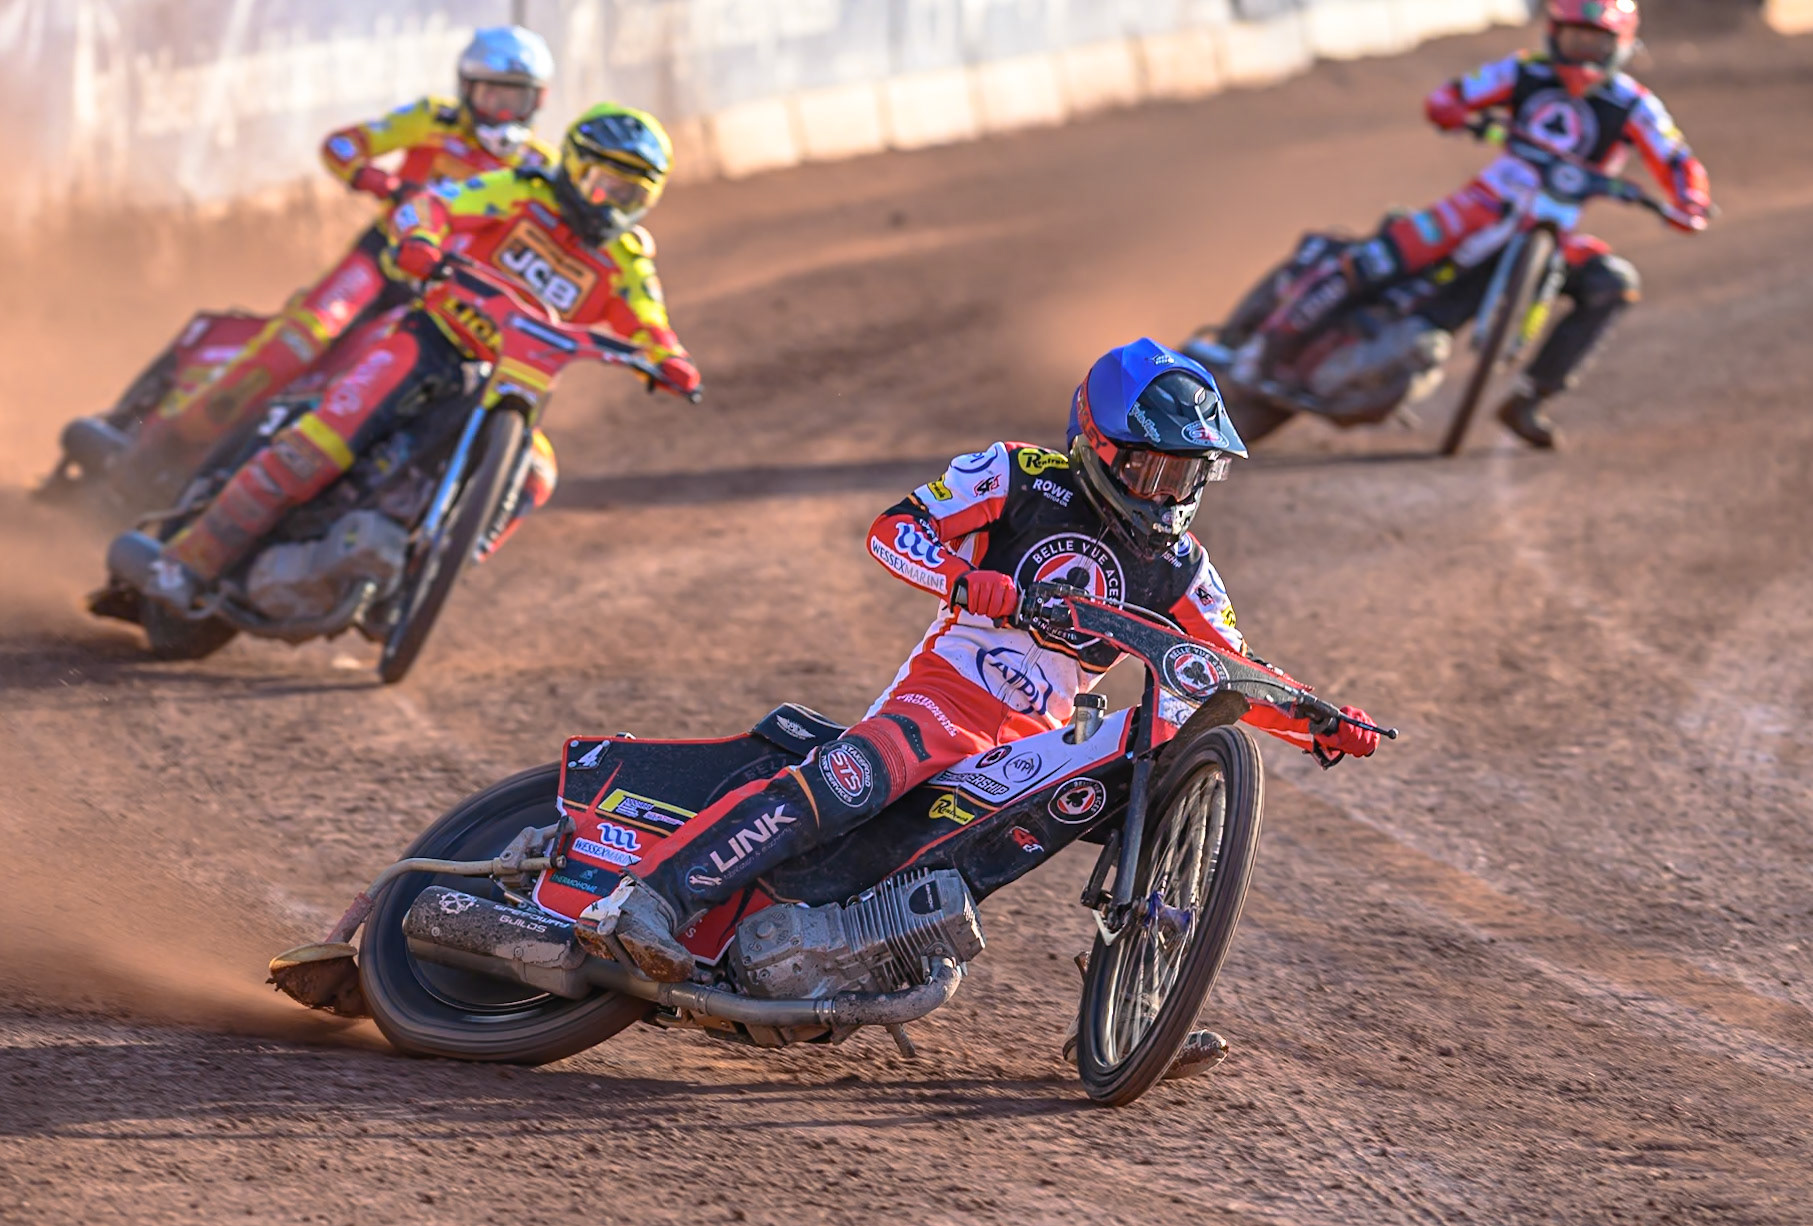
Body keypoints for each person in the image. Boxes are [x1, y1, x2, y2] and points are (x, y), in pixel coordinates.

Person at [586, 338, 1381, 983]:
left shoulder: (1184, 571)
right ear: (1099, 446)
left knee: (1148, 760)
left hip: (1034, 743)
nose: (1168, 492)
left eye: (1187, 474)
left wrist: (1319, 718)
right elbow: (894, 530)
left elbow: (1228, 671)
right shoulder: (1018, 475)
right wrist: (967, 580)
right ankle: (649, 899)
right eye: (1152, 468)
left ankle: (1144, 997)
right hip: (949, 693)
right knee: (860, 777)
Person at [119, 104, 699, 612]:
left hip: (508, 386)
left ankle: (425, 579)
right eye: (606, 184)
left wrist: (670, 360)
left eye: (632, 194)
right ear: (573, 167)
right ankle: (184, 562)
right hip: (430, 340)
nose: (614, 204)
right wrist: (421, 238)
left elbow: (649, 321)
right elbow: (438, 203)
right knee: (323, 439)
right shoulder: (523, 191)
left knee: (537, 474)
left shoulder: (625, 259)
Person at [1230, 0, 1711, 448]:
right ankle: (1257, 347)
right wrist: (1472, 119)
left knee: (1613, 283)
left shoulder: (1635, 104)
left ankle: (1530, 398)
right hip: (1476, 208)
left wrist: (1691, 202)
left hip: (1556, 234)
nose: (1583, 54)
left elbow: (1675, 157)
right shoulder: (1523, 70)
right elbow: (1448, 99)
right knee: (1373, 262)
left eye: (1597, 43)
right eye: (1575, 39)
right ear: (1554, 33)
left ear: (1622, 46)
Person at [112, 25, 557, 494]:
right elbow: (341, 146)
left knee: (377, 393)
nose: (503, 113)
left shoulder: (539, 172)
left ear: (539, 101)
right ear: (466, 91)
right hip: (381, 262)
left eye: (516, 100)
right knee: (301, 341)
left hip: (441, 296)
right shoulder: (433, 120)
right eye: (492, 97)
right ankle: (149, 451)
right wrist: (386, 185)